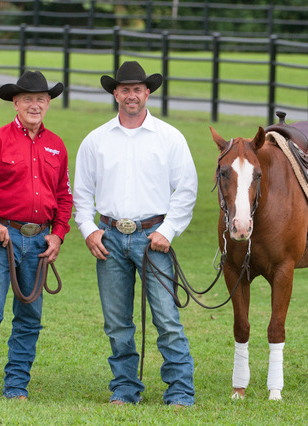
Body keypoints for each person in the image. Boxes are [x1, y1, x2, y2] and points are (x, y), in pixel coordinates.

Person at [73, 61, 198, 407]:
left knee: (167, 317)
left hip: (153, 235)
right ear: (115, 93)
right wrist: (88, 230)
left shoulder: (170, 138)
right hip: (109, 236)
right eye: (125, 89)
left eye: (137, 89)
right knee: (116, 322)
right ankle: (125, 388)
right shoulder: (95, 140)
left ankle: (180, 390)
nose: (131, 95)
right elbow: (81, 193)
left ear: (147, 93)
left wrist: (169, 230)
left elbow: (186, 190)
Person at [0, 70, 73, 403]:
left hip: (39, 242)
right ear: (16, 102)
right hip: (1, 240)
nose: (35, 105)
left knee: (30, 319)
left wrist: (58, 235)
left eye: (41, 99)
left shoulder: (56, 146)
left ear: (49, 103)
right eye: (28, 99)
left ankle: (16, 387)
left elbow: (64, 196)